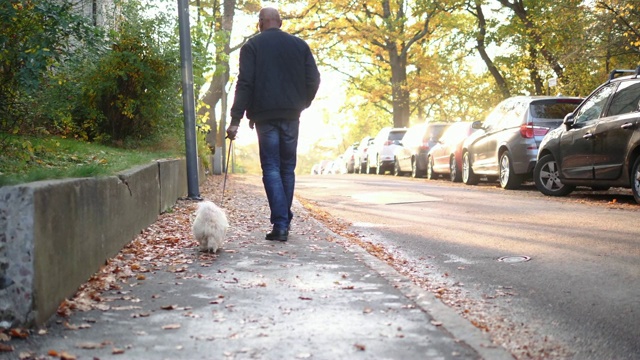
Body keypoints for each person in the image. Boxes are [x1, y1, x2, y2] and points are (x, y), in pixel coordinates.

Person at [226, 7, 321, 242]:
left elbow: (245, 83)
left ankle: (280, 224)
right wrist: (303, 102)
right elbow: (314, 78)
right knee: (287, 168)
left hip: (265, 117)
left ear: (260, 23)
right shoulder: (299, 45)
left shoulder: (252, 47)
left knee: (271, 168)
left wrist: (236, 119)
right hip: (291, 115)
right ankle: (283, 221)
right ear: (280, 22)